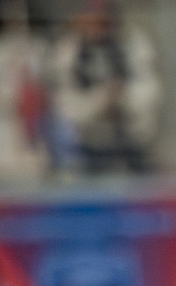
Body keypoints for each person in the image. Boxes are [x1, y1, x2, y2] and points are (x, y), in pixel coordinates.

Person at [47, 0, 161, 173]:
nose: (96, 28)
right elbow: (66, 108)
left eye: (102, 22)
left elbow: (150, 94)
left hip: (132, 141)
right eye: (90, 22)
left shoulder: (133, 44)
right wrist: (100, 100)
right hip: (88, 145)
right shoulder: (69, 52)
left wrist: (122, 97)